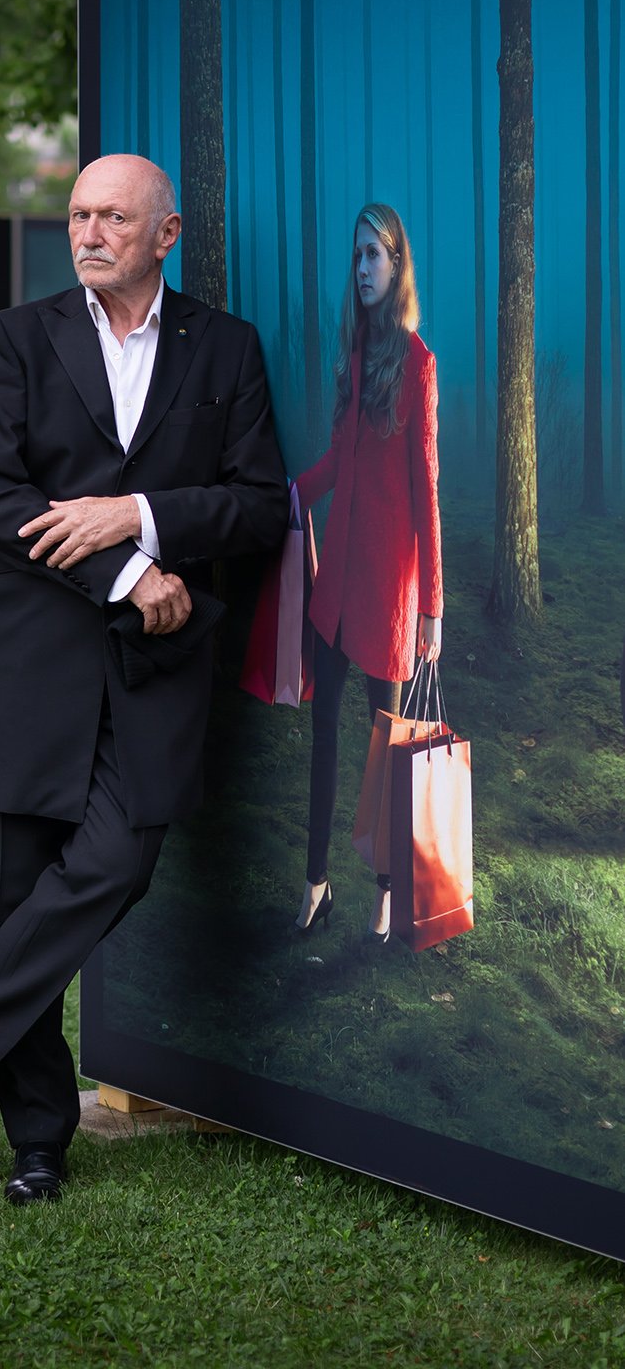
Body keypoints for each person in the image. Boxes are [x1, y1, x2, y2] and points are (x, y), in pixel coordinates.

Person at [0, 153, 289, 1201]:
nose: (88, 232)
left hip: (156, 665)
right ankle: (38, 1143)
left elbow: (258, 505)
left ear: (166, 234)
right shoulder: (16, 337)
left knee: (116, 863)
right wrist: (125, 569)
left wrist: (140, 514)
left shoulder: (226, 347)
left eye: (113, 216)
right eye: (77, 214)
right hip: (31, 658)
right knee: (14, 901)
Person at [293, 203, 443, 942]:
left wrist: (432, 608)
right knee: (323, 728)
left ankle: (386, 891)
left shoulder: (417, 364)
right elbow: (338, 459)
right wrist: (290, 494)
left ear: (396, 264)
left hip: (389, 587)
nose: (361, 269)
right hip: (339, 576)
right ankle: (316, 884)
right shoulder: (352, 354)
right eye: (355, 256)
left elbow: (426, 491)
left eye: (372, 256)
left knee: (387, 742)